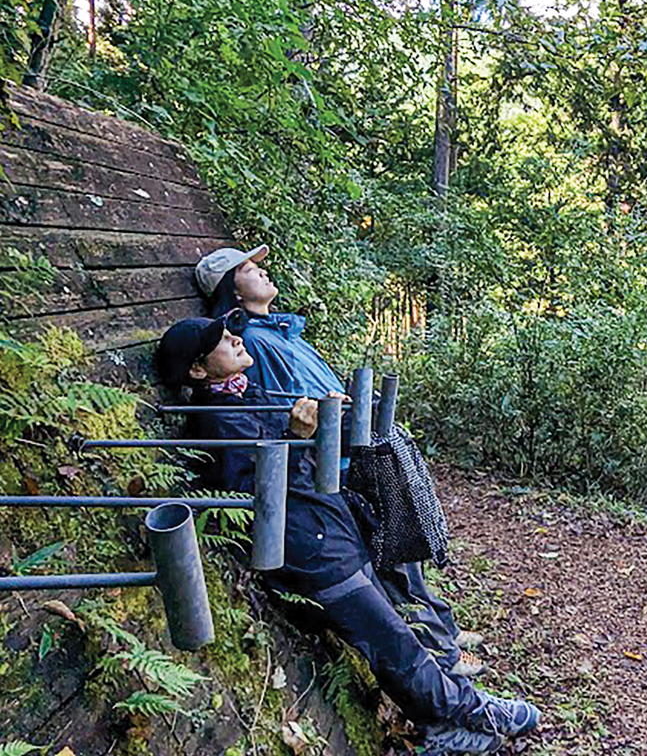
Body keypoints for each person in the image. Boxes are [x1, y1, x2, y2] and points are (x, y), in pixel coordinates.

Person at [155, 315, 539, 754]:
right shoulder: (216, 420)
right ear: (199, 371)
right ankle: (477, 711)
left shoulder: (249, 393)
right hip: (311, 550)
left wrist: (324, 423)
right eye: (220, 340)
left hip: (330, 531)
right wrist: (295, 435)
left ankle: (440, 730)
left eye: (228, 331)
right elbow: (255, 499)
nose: (234, 337)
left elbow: (297, 469)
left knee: (390, 635)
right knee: (391, 640)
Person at [195, 245, 485, 677]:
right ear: (231, 293)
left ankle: (438, 625)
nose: (263, 272)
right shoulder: (255, 341)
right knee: (390, 542)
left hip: (350, 446)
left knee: (404, 536)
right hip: (334, 461)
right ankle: (436, 646)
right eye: (251, 270)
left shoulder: (282, 331)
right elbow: (289, 413)